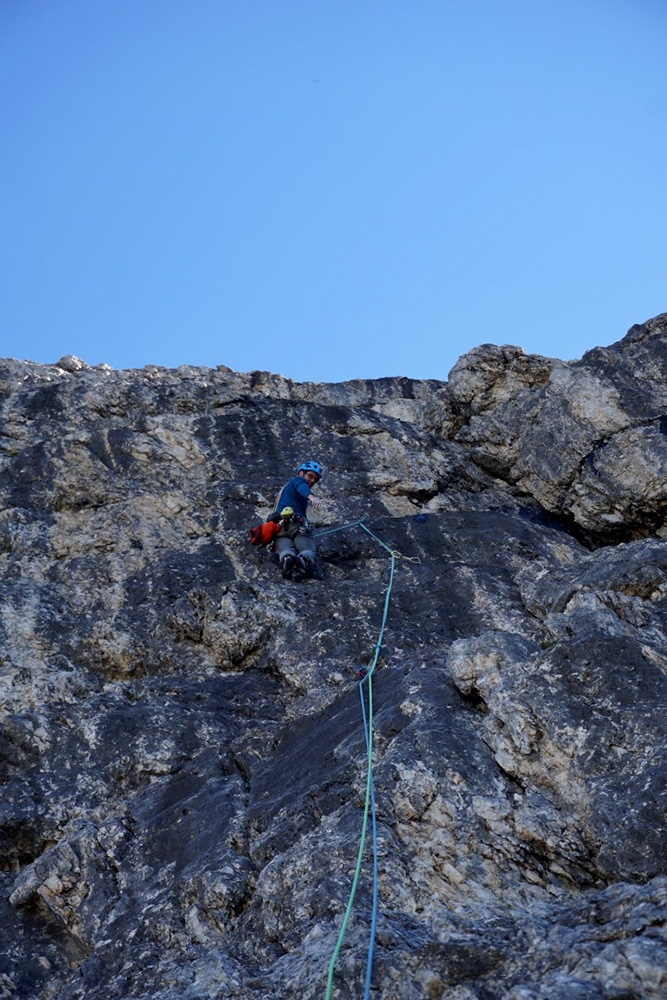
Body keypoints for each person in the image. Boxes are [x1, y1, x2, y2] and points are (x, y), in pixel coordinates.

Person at [273, 461, 323, 579]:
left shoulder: (283, 491)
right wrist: (311, 496)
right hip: (297, 524)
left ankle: (287, 558)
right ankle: (304, 559)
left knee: (284, 545)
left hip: (279, 526)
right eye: (310, 476)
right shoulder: (298, 481)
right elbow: (302, 487)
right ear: (301, 473)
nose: (311, 480)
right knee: (306, 547)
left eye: (314, 479)